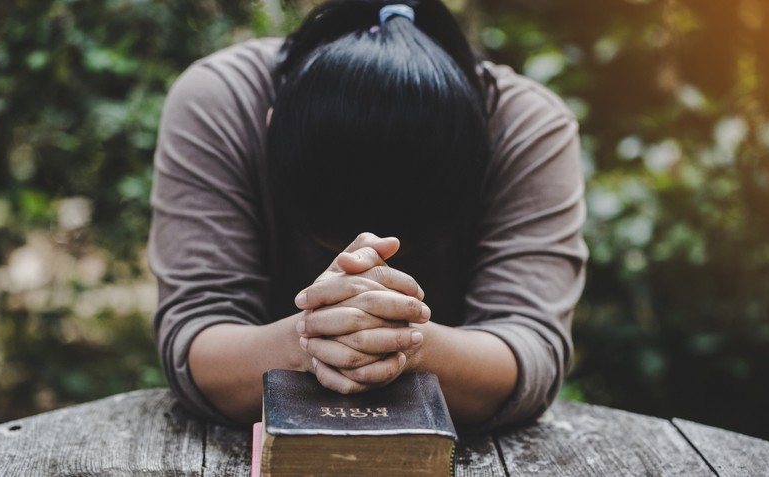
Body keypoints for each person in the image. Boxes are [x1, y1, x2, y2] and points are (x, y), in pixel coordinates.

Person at [149, 0, 587, 430]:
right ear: (269, 130)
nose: (362, 256)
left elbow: (531, 348)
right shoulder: (219, 102)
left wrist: (401, 342)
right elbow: (197, 337)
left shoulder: (526, 127)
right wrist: (314, 337)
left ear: (482, 152)